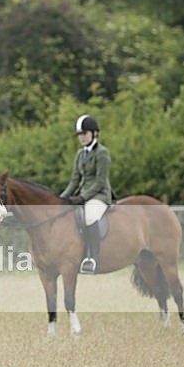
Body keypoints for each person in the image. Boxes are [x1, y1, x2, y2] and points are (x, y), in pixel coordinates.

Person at [60, 114, 113, 274]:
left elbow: (100, 182)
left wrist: (82, 197)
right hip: (83, 194)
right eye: (80, 135)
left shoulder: (102, 153)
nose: (82, 137)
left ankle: (92, 257)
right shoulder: (79, 154)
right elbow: (75, 181)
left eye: (85, 134)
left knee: (89, 216)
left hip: (99, 195)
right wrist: (61, 198)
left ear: (94, 133)